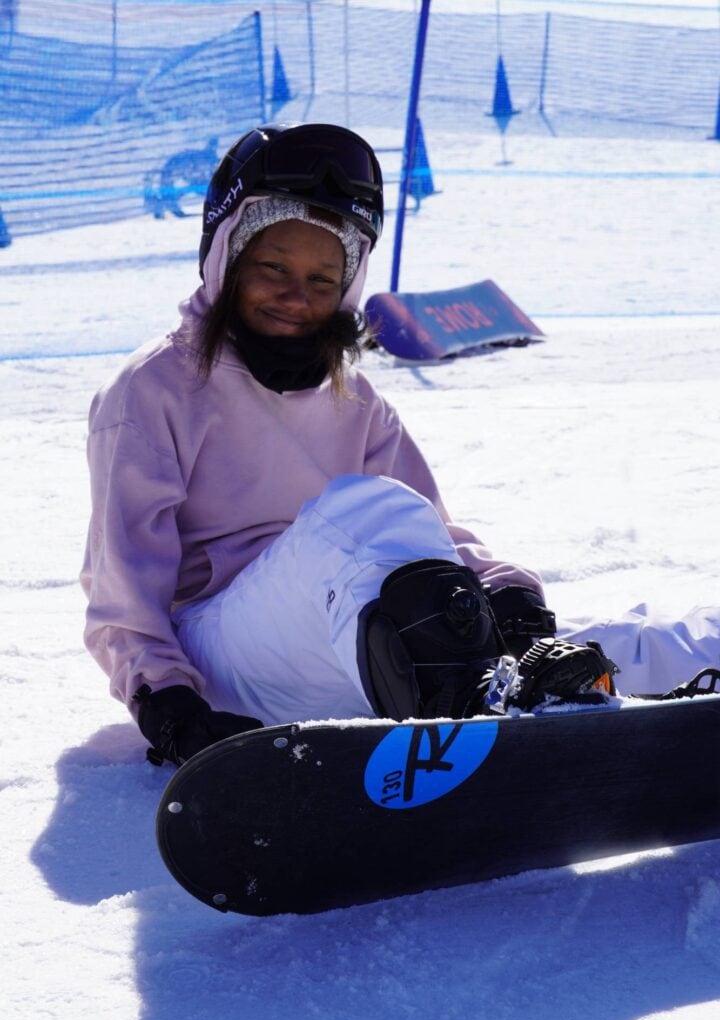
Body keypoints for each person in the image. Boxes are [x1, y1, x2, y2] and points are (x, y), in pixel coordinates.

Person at [81, 123, 719, 767]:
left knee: (603, 646)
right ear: (226, 259)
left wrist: (511, 603)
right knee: (365, 510)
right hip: (223, 658)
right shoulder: (151, 391)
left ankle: (678, 670)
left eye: (323, 280)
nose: (297, 297)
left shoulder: (351, 398)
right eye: (272, 267)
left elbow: (429, 531)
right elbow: (123, 594)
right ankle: (481, 713)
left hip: (346, 641)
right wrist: (167, 707)